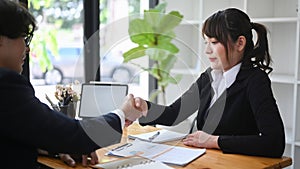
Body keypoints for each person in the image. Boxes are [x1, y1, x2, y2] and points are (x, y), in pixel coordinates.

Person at [0, 0, 142, 168]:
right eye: (24, 38)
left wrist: (52, 146)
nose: (28, 48)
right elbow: (75, 135)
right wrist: (122, 113)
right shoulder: (5, 84)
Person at [131, 8, 285, 158]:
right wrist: (146, 108)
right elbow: (175, 113)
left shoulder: (255, 80)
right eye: (206, 42)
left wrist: (214, 141)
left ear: (239, 43)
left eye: (214, 42)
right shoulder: (209, 77)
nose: (207, 50)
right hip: (209, 161)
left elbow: (274, 142)